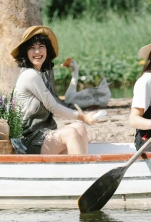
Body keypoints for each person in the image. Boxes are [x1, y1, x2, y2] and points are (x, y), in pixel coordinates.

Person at [12, 26, 97, 154]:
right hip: (27, 139)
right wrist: (83, 116)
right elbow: (53, 107)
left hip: (44, 133)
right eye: (32, 48)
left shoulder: (41, 74)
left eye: (41, 46)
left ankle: (81, 167)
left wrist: (81, 120)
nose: (37, 52)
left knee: (80, 127)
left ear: (47, 49)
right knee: (71, 133)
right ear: (25, 52)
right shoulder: (30, 75)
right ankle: (80, 171)